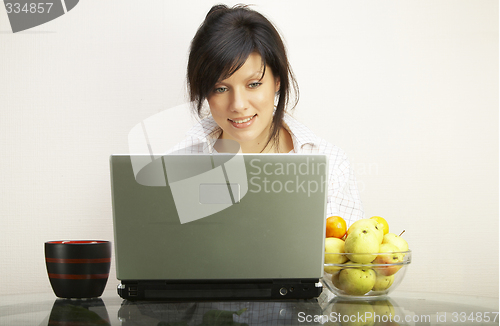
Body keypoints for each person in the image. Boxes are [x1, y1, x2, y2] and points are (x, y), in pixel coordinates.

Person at [170, 4, 364, 225]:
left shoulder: (331, 164)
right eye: (220, 88)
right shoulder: (177, 164)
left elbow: (347, 256)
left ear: (277, 81)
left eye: (253, 84)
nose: (239, 105)